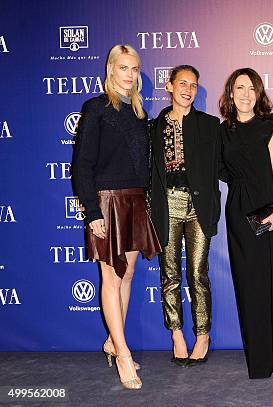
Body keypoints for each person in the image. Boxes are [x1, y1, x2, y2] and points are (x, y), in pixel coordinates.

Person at [72, 44, 161, 389]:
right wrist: (92, 211)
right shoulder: (95, 109)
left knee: (127, 276)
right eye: (123, 67)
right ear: (110, 69)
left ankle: (114, 340)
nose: (129, 74)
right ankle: (123, 355)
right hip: (107, 203)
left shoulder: (139, 114)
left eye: (135, 68)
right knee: (111, 278)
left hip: (136, 201)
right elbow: (82, 166)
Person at [218, 68, 273, 379]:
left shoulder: (269, 127)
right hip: (240, 213)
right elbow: (219, 169)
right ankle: (260, 362)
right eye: (239, 87)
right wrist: (240, 188)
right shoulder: (223, 131)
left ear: (259, 93)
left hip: (272, 209)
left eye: (251, 88)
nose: (246, 94)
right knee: (250, 287)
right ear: (231, 93)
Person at [149, 65, 222, 367]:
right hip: (166, 204)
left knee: (197, 273)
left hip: (199, 206)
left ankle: (203, 335)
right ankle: (176, 334)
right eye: (182, 83)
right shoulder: (152, 127)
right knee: (169, 275)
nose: (188, 90)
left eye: (193, 85)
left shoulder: (209, 124)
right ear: (169, 86)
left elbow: (222, 166)